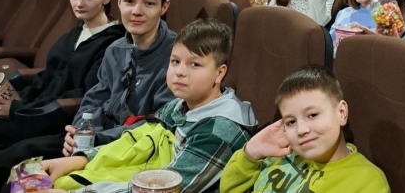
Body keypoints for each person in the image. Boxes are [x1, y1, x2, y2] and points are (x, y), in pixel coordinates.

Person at [0, 0, 176, 192]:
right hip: (91, 144)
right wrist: (80, 132)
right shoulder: (116, 49)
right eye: (130, 1)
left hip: (129, 153)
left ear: (164, 7)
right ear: (119, 2)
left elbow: (158, 125)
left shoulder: (177, 57)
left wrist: (95, 140)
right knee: (11, 176)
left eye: (149, 3)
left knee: (15, 182)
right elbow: (93, 100)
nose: (136, 11)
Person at [39, 19, 258, 193]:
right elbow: (134, 141)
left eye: (194, 64)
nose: (180, 72)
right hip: (150, 177)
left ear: (220, 73)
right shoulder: (178, 106)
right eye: (175, 61)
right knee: (49, 177)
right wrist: (80, 159)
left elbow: (167, 189)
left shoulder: (219, 130)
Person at [0, 0, 125, 164]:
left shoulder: (112, 43)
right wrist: (10, 100)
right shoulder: (73, 35)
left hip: (52, 122)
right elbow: (47, 79)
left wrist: (16, 110)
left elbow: (85, 97)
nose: (80, 3)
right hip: (31, 112)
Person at [219, 65, 390, 193]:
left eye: (312, 115)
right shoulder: (280, 155)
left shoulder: (367, 182)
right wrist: (252, 152)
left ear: (341, 113)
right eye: (291, 122)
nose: (301, 130)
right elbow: (228, 189)